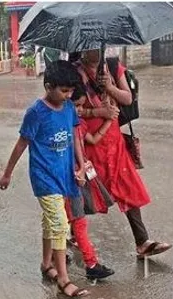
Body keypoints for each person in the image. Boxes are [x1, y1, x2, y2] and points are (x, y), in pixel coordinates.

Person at [0, 60, 90, 299]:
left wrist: (81, 165)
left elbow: (75, 137)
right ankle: (63, 280)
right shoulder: (36, 113)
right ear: (48, 86)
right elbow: (22, 144)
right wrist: (7, 173)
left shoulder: (69, 108)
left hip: (64, 174)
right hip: (44, 177)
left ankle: (46, 263)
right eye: (63, 90)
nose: (68, 95)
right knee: (60, 224)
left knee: (50, 222)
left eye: (70, 91)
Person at [75, 49, 172, 259]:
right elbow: (71, 108)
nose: (96, 51)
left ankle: (142, 241)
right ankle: (69, 232)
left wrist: (109, 87)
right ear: (82, 48)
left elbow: (127, 98)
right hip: (89, 141)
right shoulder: (75, 73)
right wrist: (98, 112)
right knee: (84, 189)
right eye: (91, 46)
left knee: (127, 185)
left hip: (114, 140)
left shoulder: (111, 66)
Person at [65, 85, 116, 280]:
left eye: (80, 107)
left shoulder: (79, 125)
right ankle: (88, 262)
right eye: (76, 106)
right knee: (71, 221)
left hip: (77, 177)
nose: (78, 110)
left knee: (75, 221)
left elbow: (92, 140)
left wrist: (109, 121)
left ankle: (87, 262)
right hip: (68, 178)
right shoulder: (65, 125)